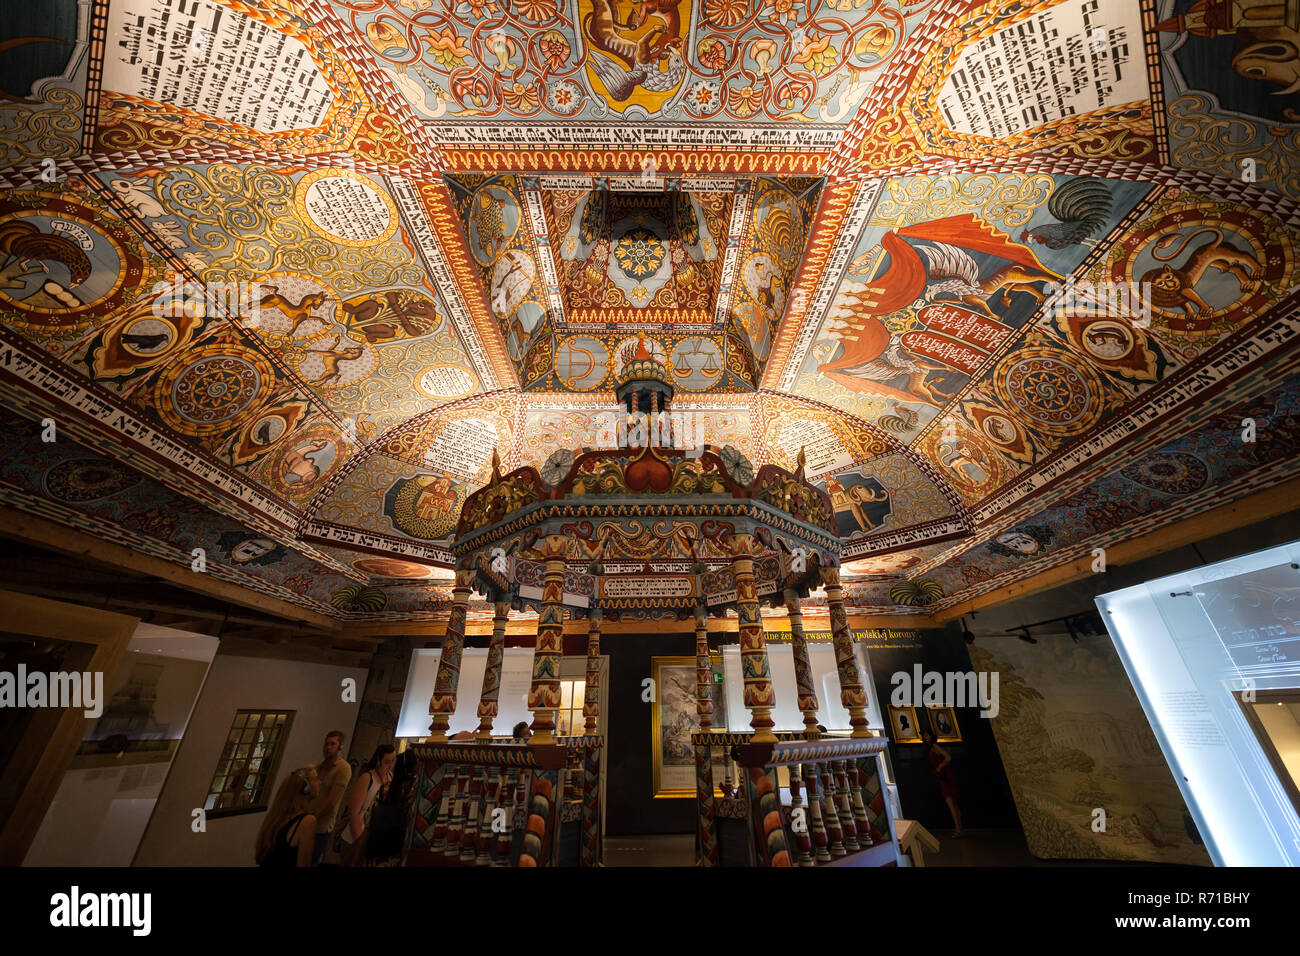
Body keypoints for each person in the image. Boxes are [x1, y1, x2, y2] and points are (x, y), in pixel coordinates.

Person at [330, 744, 395, 866]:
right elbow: (353, 812)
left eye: (392, 761)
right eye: (387, 761)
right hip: (355, 835)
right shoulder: (367, 777)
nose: (390, 765)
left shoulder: (390, 777)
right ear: (379, 760)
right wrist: (359, 841)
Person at [254, 766, 320, 867]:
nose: (320, 782)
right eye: (316, 779)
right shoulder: (307, 821)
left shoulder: (276, 816)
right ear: (306, 789)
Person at [367, 749, 418, 865]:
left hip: (379, 847)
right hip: (399, 850)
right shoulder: (414, 794)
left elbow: (370, 822)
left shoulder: (386, 789)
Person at [309, 730, 352, 865]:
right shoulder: (319, 767)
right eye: (326, 744)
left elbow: (331, 801)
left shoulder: (343, 768)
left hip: (321, 827)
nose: (328, 747)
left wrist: (312, 817)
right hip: (308, 823)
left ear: (340, 747)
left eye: (333, 744)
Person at [921, 728, 963, 837]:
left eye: (927, 735)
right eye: (924, 736)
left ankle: (958, 830)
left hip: (945, 777)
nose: (925, 737)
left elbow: (948, 757)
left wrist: (940, 766)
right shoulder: (931, 747)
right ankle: (959, 829)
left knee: (951, 803)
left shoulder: (934, 746)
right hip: (943, 777)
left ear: (931, 736)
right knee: (953, 803)